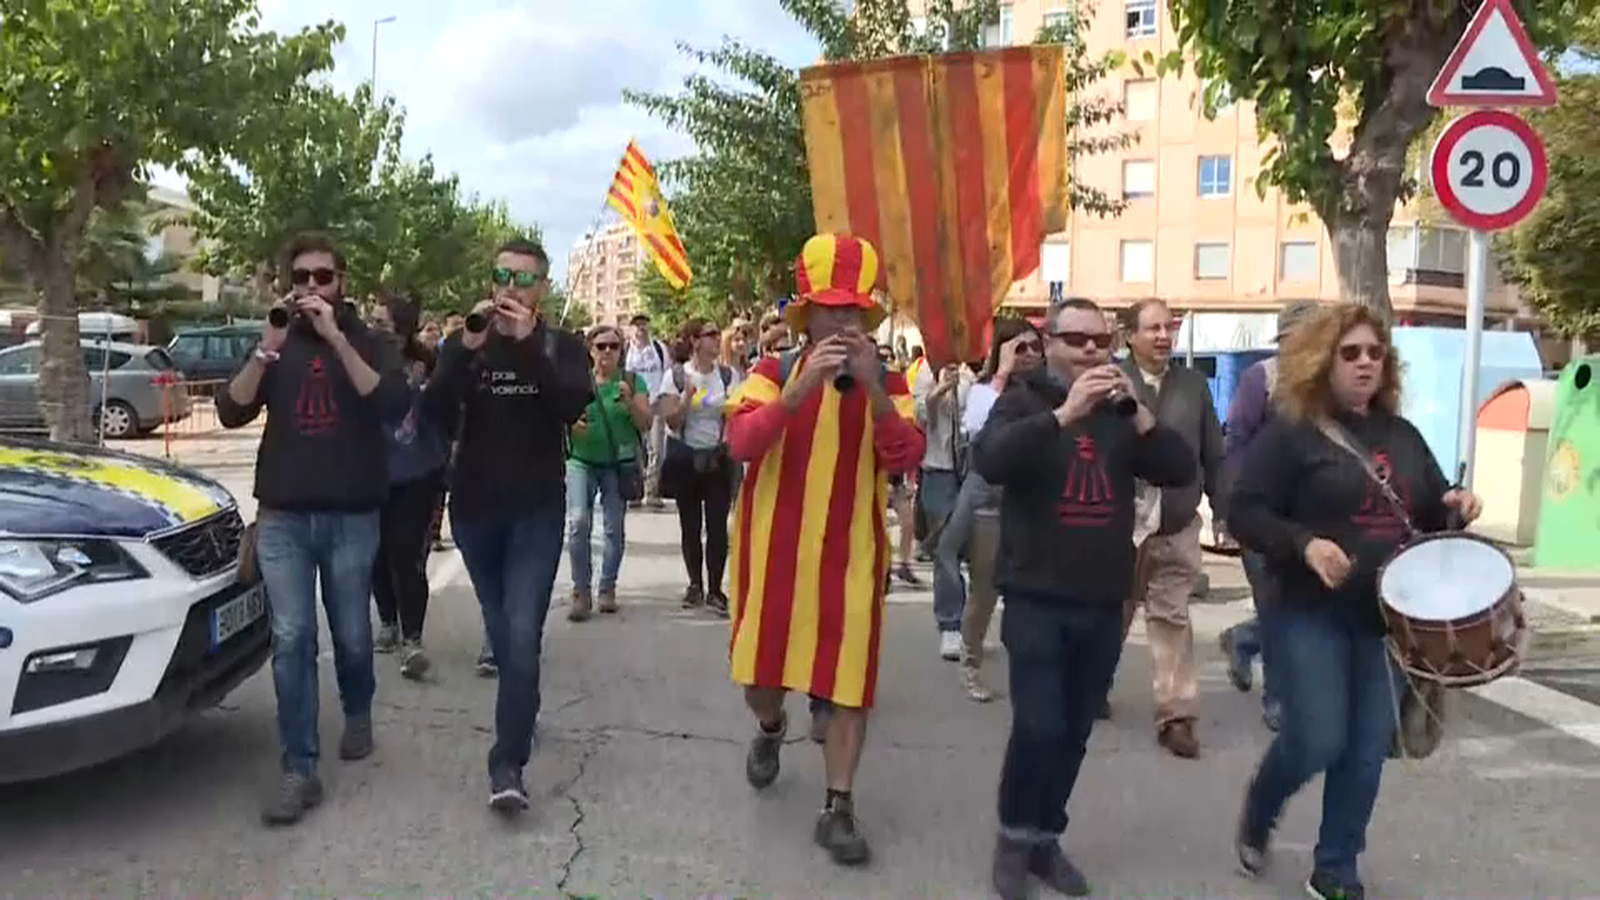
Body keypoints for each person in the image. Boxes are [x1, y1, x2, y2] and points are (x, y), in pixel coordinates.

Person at [1228, 303, 1481, 900]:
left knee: (1366, 749)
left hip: (1385, 620)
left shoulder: (1403, 435)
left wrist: (1456, 506)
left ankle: (1335, 870)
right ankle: (1261, 808)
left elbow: (1428, 511)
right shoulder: (1290, 434)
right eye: (1351, 353)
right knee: (1316, 739)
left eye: (1375, 353)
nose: (1366, 362)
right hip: (1306, 612)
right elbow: (1245, 511)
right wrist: (1305, 543)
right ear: (1322, 359)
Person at [972, 296, 1195, 899]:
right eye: (1078, 341)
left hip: (1103, 597)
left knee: (1073, 730)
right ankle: (1014, 839)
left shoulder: (1123, 410)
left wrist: (1142, 418)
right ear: (1050, 345)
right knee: (1039, 724)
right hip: (1036, 594)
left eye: (1101, 341)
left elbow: (1179, 468)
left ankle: (1045, 837)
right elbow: (989, 461)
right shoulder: (1023, 401)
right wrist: (1064, 413)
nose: (1093, 351)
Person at [725, 233, 925, 867]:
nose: (842, 322)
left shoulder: (887, 379)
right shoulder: (771, 371)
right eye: (830, 311)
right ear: (805, 314)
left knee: (848, 690)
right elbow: (741, 445)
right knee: (760, 680)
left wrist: (870, 389)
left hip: (852, 559)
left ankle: (838, 807)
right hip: (772, 557)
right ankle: (770, 725)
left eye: (853, 312)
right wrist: (796, 390)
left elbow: (906, 457)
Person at [216, 232, 409, 826]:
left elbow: (393, 405)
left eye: (322, 277)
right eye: (301, 278)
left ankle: (357, 709)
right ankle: (299, 767)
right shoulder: (276, 340)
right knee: (293, 638)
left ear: (340, 282)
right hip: (283, 518)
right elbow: (230, 409)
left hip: (352, 516)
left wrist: (334, 337)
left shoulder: (371, 341)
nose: (310, 288)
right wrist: (266, 350)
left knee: (352, 635)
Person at [421, 238, 592, 814]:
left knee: (519, 635)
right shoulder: (468, 338)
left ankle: (507, 762)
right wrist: (459, 351)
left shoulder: (561, 345)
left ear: (542, 289)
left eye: (523, 279)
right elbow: (434, 411)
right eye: (501, 276)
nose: (509, 288)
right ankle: (525, 704)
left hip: (537, 513)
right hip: (473, 511)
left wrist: (529, 349)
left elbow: (570, 404)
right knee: (506, 630)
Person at [1112, 298, 1225, 758]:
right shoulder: (1110, 379)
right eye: (1152, 328)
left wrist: (1223, 508)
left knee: (1172, 617)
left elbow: (1213, 450)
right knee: (1112, 614)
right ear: (1130, 336)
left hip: (1177, 521)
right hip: (1119, 527)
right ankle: (1089, 687)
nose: (1163, 336)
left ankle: (1176, 716)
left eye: (1168, 327)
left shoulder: (1193, 385)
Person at [1217, 298, 1321, 731]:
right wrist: (1234, 510)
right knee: (1277, 604)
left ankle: (1245, 638)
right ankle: (1277, 699)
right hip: (1263, 517)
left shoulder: (1330, 385)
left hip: (1316, 520)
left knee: (1305, 609)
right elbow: (1236, 443)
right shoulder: (1261, 378)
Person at [933, 319, 1044, 700]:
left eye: (1034, 347)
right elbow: (979, 431)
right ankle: (970, 665)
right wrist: (1002, 374)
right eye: (1019, 348)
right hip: (990, 498)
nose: (1028, 355)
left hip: (1035, 497)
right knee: (985, 589)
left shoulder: (1052, 391)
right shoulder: (983, 390)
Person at [370, 293, 449, 681]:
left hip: (418, 473)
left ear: (401, 330)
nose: (374, 328)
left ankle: (411, 638)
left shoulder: (426, 364)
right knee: (376, 554)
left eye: (382, 322)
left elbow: (443, 414)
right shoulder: (360, 359)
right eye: (372, 321)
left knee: (405, 555)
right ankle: (387, 619)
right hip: (370, 473)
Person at [565, 324, 651, 620]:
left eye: (613, 346)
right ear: (590, 350)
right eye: (600, 346)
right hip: (581, 460)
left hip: (618, 465)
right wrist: (571, 424)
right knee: (578, 523)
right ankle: (580, 591)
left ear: (621, 351)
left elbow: (646, 423)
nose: (607, 352)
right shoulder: (578, 382)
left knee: (614, 528)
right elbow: (560, 417)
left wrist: (629, 402)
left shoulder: (632, 381)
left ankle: (607, 588)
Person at [653, 318, 738, 616]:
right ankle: (694, 585)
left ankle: (715, 589)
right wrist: (687, 398)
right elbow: (672, 422)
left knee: (717, 526)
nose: (717, 339)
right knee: (690, 525)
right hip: (686, 457)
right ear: (695, 341)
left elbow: (734, 416)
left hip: (716, 458)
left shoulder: (728, 376)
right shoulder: (675, 376)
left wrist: (725, 442)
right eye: (710, 335)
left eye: (718, 334)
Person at [625, 312, 672, 509]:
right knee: (635, 450)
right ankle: (635, 492)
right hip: (634, 405)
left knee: (656, 451)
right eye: (637, 325)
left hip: (655, 405)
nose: (641, 328)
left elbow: (668, 373)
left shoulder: (659, 349)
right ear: (631, 329)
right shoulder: (626, 349)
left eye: (644, 324)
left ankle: (651, 492)